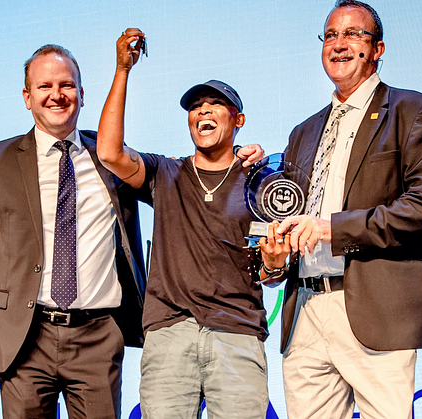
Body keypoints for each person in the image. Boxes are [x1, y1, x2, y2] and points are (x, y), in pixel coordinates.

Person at [258, 1, 422, 418]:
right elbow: (296, 215)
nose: (339, 44)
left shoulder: (415, 111)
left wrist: (333, 228)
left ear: (378, 48)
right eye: (330, 35)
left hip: (374, 309)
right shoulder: (304, 131)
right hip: (306, 311)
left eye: (352, 34)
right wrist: (276, 260)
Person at [0, 44, 149, 419]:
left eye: (67, 85)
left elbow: (175, 180)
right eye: (45, 87)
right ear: (28, 97)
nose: (57, 95)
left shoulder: (112, 156)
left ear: (81, 94)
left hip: (97, 336)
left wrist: (237, 160)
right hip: (24, 337)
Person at [97, 28, 269, 419]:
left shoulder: (259, 180)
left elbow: (273, 263)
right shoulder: (166, 173)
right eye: (196, 107)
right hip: (170, 333)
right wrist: (123, 69)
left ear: (238, 119)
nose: (203, 112)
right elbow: (109, 151)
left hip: (238, 332)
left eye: (216, 104)